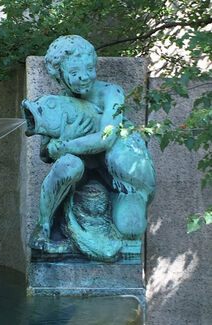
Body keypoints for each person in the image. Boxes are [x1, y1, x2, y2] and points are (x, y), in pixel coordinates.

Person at [29, 35, 155, 252]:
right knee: (68, 165)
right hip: (78, 173)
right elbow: (45, 154)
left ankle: (124, 207)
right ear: (60, 76)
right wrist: (54, 148)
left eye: (89, 68)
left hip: (117, 177)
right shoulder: (55, 104)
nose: (85, 77)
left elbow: (106, 138)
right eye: (75, 73)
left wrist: (67, 145)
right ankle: (43, 225)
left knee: (131, 227)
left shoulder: (111, 93)